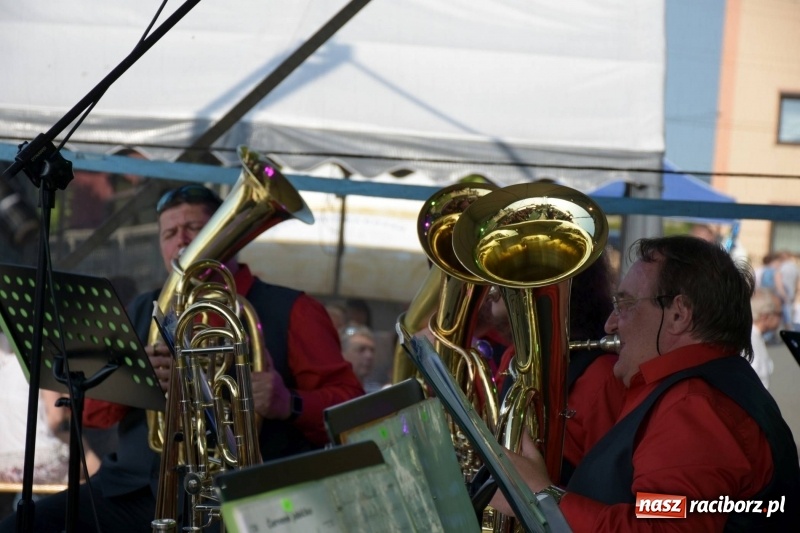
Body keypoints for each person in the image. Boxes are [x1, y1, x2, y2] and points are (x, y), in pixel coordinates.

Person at [0, 184, 365, 533]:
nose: (182, 241)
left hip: (241, 496)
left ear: (232, 236)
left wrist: (290, 402)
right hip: (137, 490)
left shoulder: (294, 309)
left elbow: (353, 408)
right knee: (25, 524)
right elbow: (93, 414)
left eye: (195, 228)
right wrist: (133, 376)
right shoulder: (144, 308)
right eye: (169, 233)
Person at [491, 235, 800, 531]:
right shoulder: (696, 392)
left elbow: (660, 529)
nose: (611, 323)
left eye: (625, 304)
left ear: (678, 314)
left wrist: (539, 496)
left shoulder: (693, 405)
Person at [749, 287, 780, 389]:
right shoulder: (750, 340)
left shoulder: (756, 337)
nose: (781, 319)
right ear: (765, 316)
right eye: (779, 314)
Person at [340, 325, 382, 392]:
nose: (369, 356)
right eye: (361, 350)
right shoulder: (331, 396)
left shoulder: (378, 392)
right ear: (342, 354)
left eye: (372, 350)